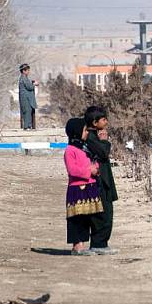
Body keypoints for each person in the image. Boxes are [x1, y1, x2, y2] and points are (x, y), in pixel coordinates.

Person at [64, 117, 102, 256]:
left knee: (87, 217)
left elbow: (94, 162)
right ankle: (76, 245)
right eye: (85, 130)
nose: (86, 133)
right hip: (77, 188)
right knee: (77, 218)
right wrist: (89, 171)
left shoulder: (85, 148)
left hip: (90, 186)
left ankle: (83, 244)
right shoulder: (70, 150)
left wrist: (96, 169)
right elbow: (72, 170)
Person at [85, 105, 119, 255]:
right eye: (103, 120)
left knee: (107, 212)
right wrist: (104, 141)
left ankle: (102, 243)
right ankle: (98, 244)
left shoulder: (94, 135)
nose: (106, 122)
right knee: (102, 214)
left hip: (104, 180)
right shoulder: (91, 138)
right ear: (94, 122)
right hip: (99, 182)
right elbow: (103, 153)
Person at [18, 63, 38, 130]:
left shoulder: (24, 78)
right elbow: (29, 87)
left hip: (26, 98)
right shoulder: (23, 78)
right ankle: (27, 126)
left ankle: (28, 126)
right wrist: (34, 84)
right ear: (23, 71)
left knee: (28, 112)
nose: (28, 72)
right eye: (27, 70)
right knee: (27, 112)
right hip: (26, 98)